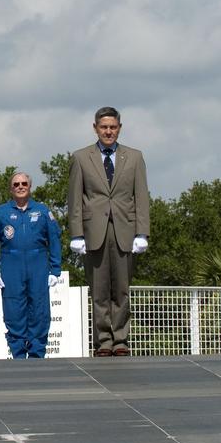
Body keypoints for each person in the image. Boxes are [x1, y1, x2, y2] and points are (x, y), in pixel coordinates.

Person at [67, 105, 150, 357]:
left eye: (113, 127)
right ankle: (103, 340)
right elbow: (75, 198)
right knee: (99, 289)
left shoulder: (134, 157)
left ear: (119, 128)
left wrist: (142, 232)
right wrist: (76, 233)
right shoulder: (81, 158)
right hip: (94, 231)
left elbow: (141, 196)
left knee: (122, 288)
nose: (108, 131)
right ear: (95, 128)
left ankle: (121, 339)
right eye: (104, 127)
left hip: (125, 229)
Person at [0, 171, 62, 359]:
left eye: (24, 184)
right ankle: (18, 353)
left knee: (39, 308)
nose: (20, 187)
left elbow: (55, 239)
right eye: (16, 184)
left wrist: (55, 269)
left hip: (38, 265)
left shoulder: (43, 211)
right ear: (11, 189)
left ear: (30, 186)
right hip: (12, 265)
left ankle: (37, 353)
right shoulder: (1, 212)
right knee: (14, 309)